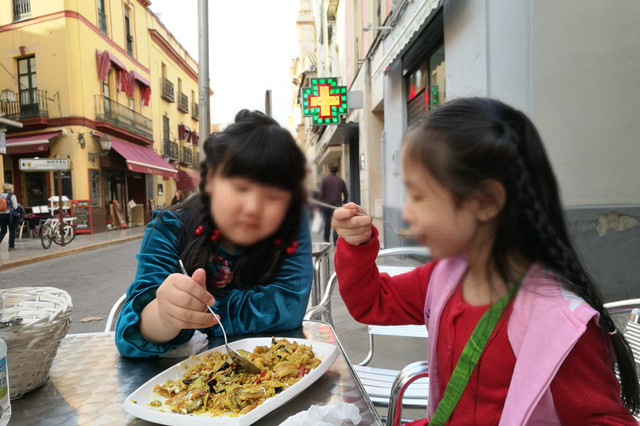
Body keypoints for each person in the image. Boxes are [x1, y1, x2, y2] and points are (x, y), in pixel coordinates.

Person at [331, 97, 639, 424]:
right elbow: (372, 301)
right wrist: (356, 244)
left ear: (485, 202)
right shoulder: (445, 278)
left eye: (420, 196)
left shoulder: (557, 325)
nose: (407, 212)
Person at [115, 110, 313, 357]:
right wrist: (164, 316)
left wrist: (198, 316)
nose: (253, 207)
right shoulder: (169, 227)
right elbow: (131, 330)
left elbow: (290, 306)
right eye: (240, 187)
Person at [319, 165, 347, 244]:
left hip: (326, 204)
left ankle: (326, 239)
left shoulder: (324, 180)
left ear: (329, 171)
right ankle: (335, 240)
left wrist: (320, 204)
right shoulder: (341, 181)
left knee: (327, 221)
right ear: (337, 172)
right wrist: (345, 201)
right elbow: (345, 193)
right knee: (337, 222)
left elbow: (321, 193)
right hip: (337, 204)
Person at [0, 183, 19, 251]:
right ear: (10, 189)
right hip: (10, 215)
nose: (13, 189)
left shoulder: (0, 195)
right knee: (12, 231)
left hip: (1, 215)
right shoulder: (12, 196)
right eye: (12, 188)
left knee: (3, 230)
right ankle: (11, 246)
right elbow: (15, 206)